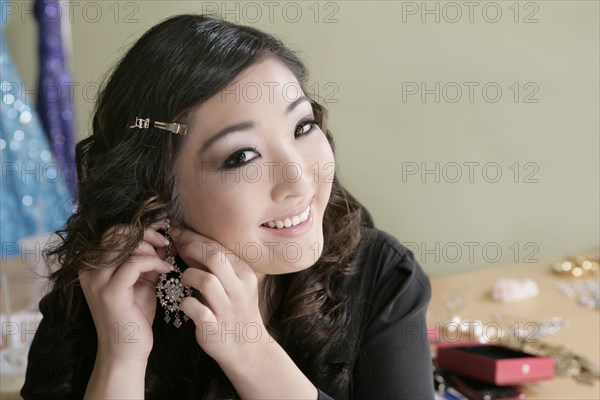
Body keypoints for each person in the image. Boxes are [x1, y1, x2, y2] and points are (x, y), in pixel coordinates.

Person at [20, 14, 435, 399]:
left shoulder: (380, 273)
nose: (298, 178)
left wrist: (251, 353)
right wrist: (121, 359)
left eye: (303, 126)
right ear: (158, 197)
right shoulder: (93, 301)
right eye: (242, 156)